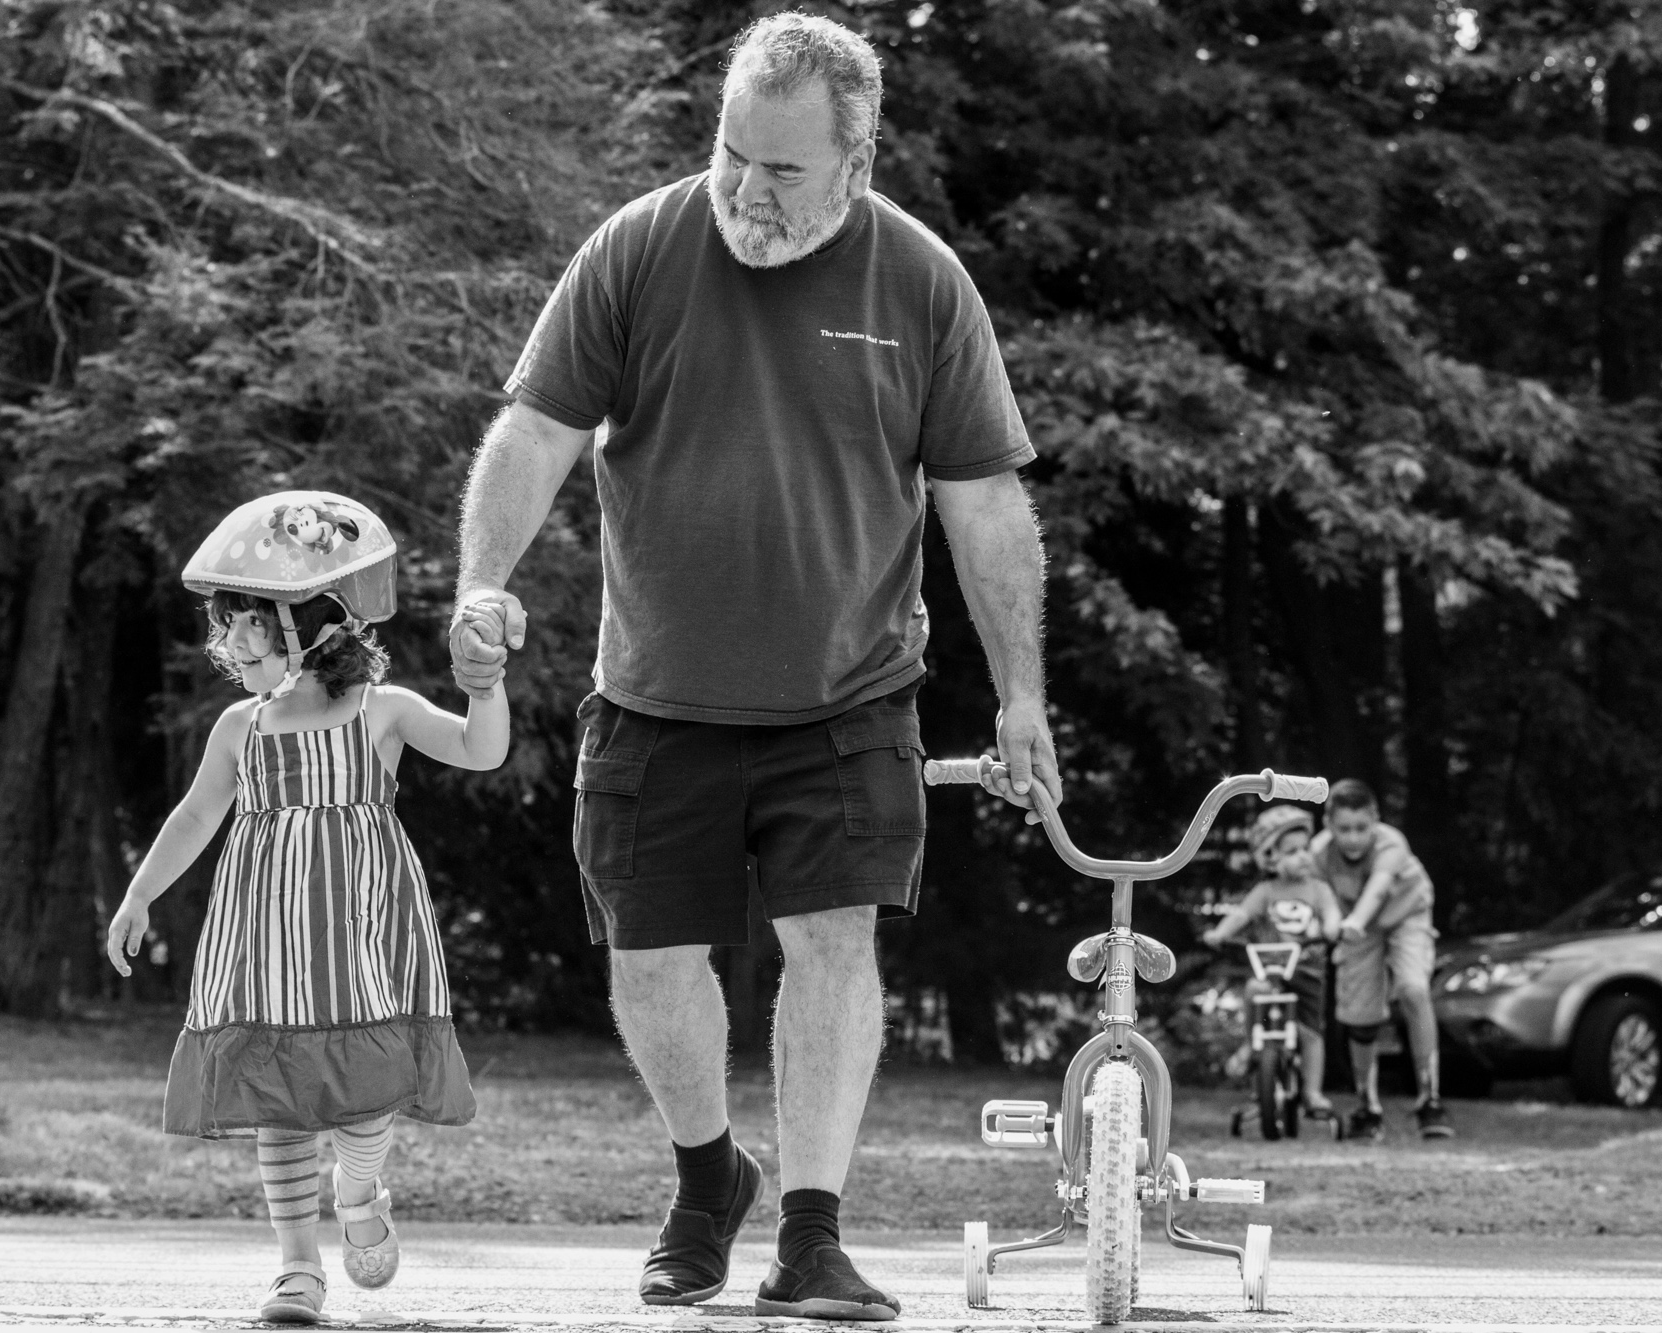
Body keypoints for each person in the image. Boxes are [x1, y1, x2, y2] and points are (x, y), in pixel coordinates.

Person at [447, 13, 1058, 1322]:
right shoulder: (640, 247)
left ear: (857, 158)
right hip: (655, 690)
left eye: (782, 170)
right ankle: (706, 1176)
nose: (746, 188)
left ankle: (813, 1237)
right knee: (654, 962)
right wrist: (483, 581)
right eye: (733, 155)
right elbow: (537, 427)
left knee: (832, 947)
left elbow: (986, 503)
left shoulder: (923, 282)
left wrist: (1021, 694)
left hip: (851, 694)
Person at [105, 491, 509, 1324]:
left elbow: (480, 748)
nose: (232, 641)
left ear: (315, 623)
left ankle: (358, 1189)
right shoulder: (239, 729)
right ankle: (298, 1268)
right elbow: (194, 816)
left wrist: (488, 682)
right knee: (276, 1102)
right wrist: (141, 891)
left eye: (252, 622)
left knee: (366, 1098)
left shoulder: (380, 711)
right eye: (231, 625)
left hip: (359, 941)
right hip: (266, 950)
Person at [1311, 778, 1454, 1141]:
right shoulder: (1319, 855)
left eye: (1362, 828)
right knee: (1360, 1015)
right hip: (1358, 930)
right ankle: (1367, 1106)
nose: (1354, 838)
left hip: (1405, 914)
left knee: (1413, 989)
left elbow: (1377, 888)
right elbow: (1320, 898)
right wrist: (1334, 927)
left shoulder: (1392, 843)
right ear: (1329, 824)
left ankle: (1430, 1099)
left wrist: (1356, 920)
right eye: (1344, 829)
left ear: (1375, 819)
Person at [1203, 804, 1343, 1115]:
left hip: (1307, 971)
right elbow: (1242, 914)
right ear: (1270, 857)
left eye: (1305, 848)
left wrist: (1333, 927)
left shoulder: (1319, 890)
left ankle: (1312, 1092)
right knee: (1255, 990)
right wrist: (1220, 932)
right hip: (1272, 968)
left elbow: (1332, 913)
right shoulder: (1266, 891)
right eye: (1292, 851)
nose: (1303, 856)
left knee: (1310, 1033)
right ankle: (1252, 1048)